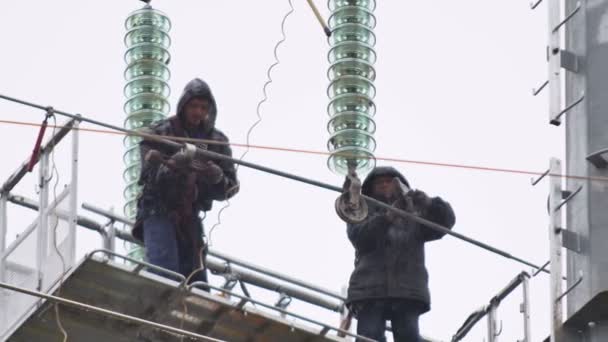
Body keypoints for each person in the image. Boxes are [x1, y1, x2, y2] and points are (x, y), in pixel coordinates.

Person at [132, 78, 239, 284]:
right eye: (194, 106)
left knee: (195, 282)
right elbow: (148, 173)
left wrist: (216, 176)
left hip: (189, 218)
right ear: (184, 106)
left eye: (203, 107)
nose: (198, 112)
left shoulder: (215, 141)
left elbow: (230, 187)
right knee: (165, 276)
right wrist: (173, 164)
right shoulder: (161, 132)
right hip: (158, 209)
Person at [345, 166, 455, 342]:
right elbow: (359, 237)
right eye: (379, 182)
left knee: (408, 336)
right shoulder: (361, 211)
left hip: (407, 289)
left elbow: (445, 222)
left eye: (388, 182)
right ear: (370, 189)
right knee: (369, 337)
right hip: (369, 289)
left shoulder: (415, 214)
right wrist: (388, 217)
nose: (384, 185)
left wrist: (425, 201)